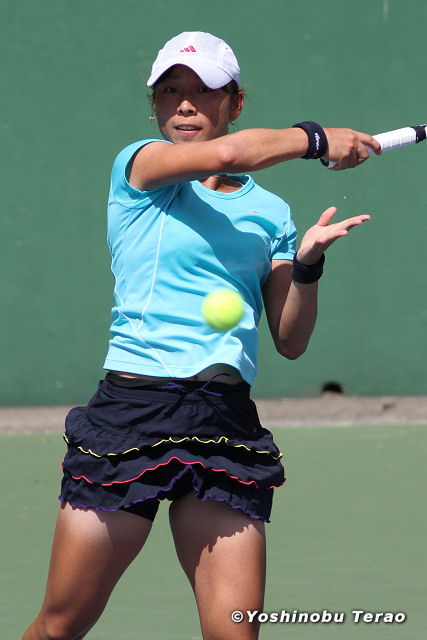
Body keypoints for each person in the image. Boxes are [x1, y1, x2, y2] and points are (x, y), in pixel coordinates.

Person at [22, 31, 380, 640]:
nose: (185, 104)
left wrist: (308, 264)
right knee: (60, 626)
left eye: (205, 91)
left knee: (234, 632)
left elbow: (290, 339)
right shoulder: (140, 166)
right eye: (171, 91)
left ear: (235, 102)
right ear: (155, 106)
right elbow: (229, 155)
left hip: (223, 419)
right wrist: (316, 139)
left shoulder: (271, 213)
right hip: (133, 413)